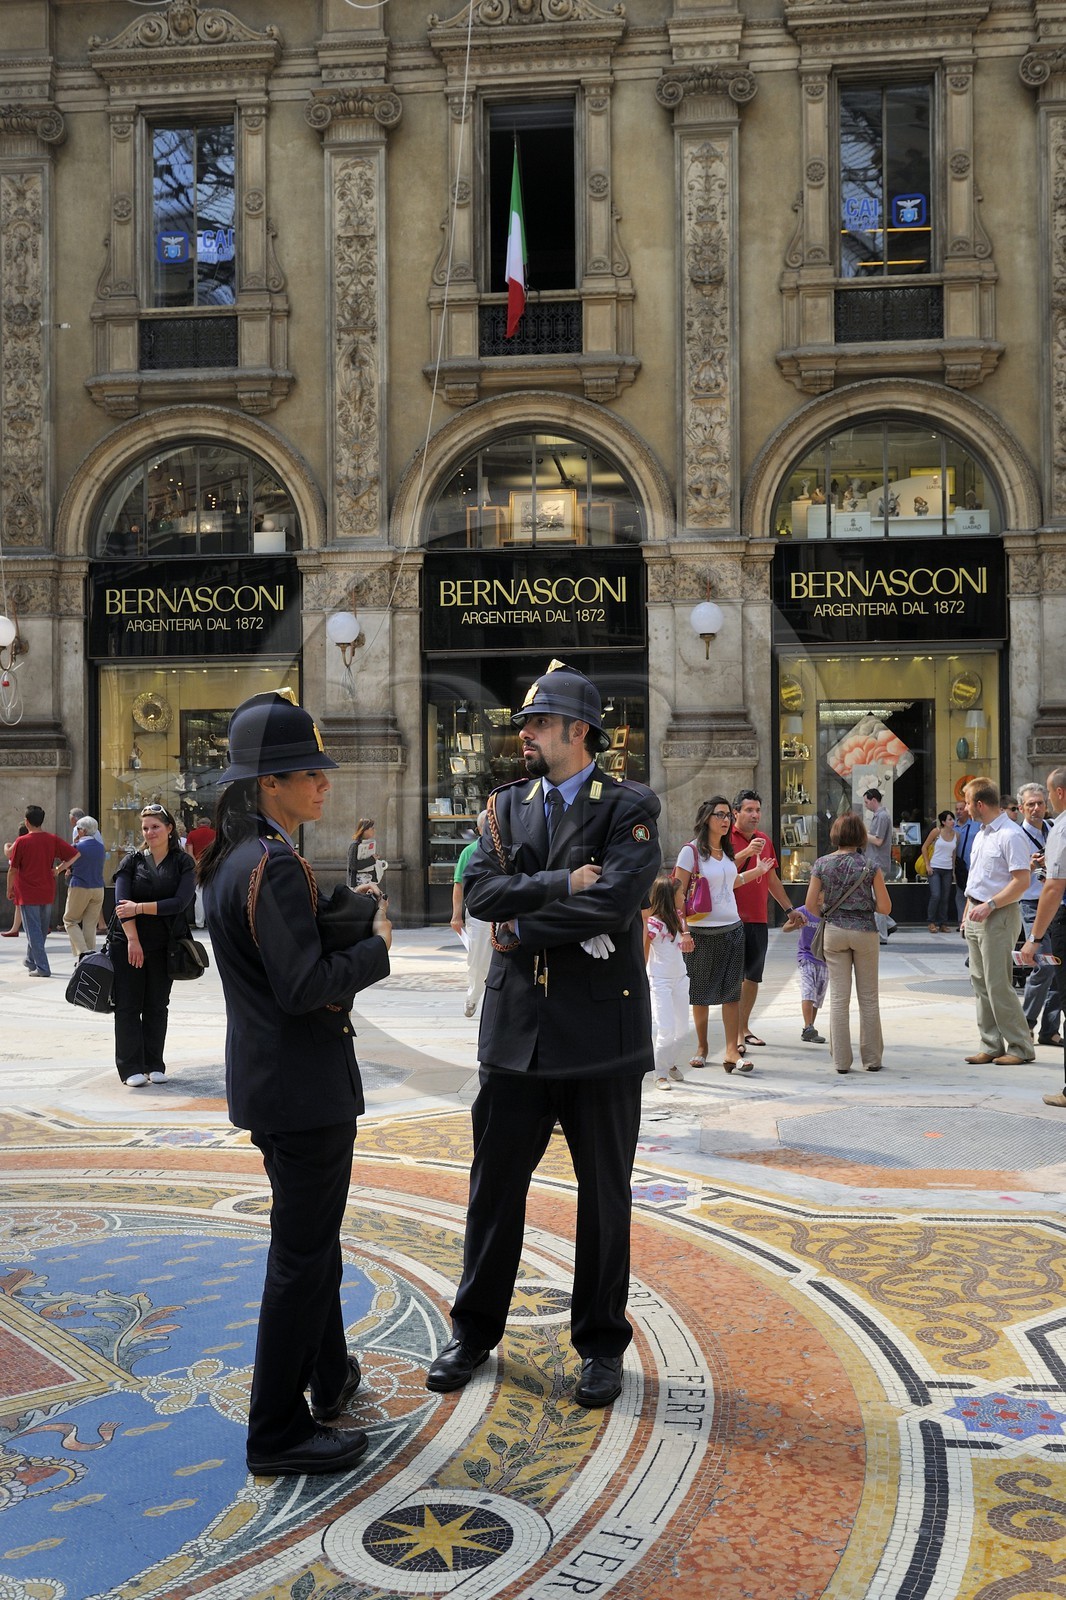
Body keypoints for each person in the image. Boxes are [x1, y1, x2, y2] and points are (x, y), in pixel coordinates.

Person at [425, 660, 660, 1412]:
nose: (523, 734)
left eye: (537, 723)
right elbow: (480, 891)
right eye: (523, 723)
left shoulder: (629, 804)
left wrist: (522, 926)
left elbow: (618, 901)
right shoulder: (505, 806)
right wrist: (562, 885)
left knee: (603, 1198)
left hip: (601, 1038)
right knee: (493, 1192)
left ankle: (599, 1344)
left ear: (577, 731)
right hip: (517, 1033)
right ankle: (472, 1331)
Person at [199, 689, 392, 1476]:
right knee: (301, 1256)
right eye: (308, 772)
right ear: (268, 783)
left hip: (272, 1083)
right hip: (305, 1090)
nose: (323, 783)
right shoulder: (272, 864)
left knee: (312, 1247)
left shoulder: (234, 858)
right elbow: (305, 984)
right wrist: (374, 948)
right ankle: (275, 1430)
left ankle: (329, 1372)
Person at [674, 796, 773, 1072]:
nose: (726, 820)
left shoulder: (727, 852)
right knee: (701, 994)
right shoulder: (690, 852)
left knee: (732, 993)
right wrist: (684, 932)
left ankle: (731, 1051)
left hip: (733, 930)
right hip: (701, 933)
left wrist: (758, 871)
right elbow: (677, 894)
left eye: (728, 815)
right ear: (706, 818)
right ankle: (703, 1047)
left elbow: (733, 882)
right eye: (720, 815)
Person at [112, 805, 196, 1085]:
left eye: (155, 827)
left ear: (170, 829)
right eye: (146, 828)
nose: (150, 833)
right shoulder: (131, 862)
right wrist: (133, 939)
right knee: (127, 1006)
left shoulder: (182, 863)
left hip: (165, 946)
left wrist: (140, 907)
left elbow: (180, 903)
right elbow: (121, 907)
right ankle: (130, 1068)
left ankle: (153, 1063)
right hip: (129, 943)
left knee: (157, 1005)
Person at [806, 812, 893, 1074]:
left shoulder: (821, 864)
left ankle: (842, 1061)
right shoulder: (870, 867)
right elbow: (886, 907)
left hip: (834, 931)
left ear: (835, 835)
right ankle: (872, 1059)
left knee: (839, 998)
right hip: (865, 932)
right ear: (860, 836)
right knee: (868, 998)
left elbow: (810, 904)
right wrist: (866, 905)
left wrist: (828, 915)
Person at [960, 778, 1035, 1067]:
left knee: (998, 983)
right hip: (977, 913)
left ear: (980, 804)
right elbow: (977, 878)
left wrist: (990, 905)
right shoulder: (982, 834)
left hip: (999, 914)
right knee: (979, 982)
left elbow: (1021, 882)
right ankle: (991, 1044)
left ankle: (1020, 1046)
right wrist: (968, 909)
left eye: (968, 803)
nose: (965, 808)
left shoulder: (1011, 834)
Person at [1017, 766, 1066, 1107]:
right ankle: (1030, 1027)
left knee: (1051, 968)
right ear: (1021, 807)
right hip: (1035, 905)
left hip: (1053, 906)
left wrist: (1033, 939)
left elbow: (1054, 882)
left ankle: (1039, 1027)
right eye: (1031, 803)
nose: (1039, 806)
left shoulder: (1057, 827)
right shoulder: (1016, 835)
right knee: (1049, 969)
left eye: (1043, 799)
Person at [730, 789, 794, 1050]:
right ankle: (732, 1034)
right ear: (736, 813)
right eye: (749, 810)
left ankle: (743, 1028)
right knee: (732, 977)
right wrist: (745, 853)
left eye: (758, 810)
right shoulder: (724, 838)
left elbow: (772, 880)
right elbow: (718, 874)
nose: (755, 815)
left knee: (753, 976)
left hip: (758, 918)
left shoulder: (764, 840)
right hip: (729, 918)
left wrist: (789, 909)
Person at [8, 806, 77, 978]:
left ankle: (42, 967)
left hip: (26, 891)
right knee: (39, 930)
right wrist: (58, 869)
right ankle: (30, 960)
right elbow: (74, 854)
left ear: (26, 821)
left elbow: (13, 869)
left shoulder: (22, 842)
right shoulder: (52, 839)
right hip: (47, 889)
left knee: (33, 931)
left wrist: (9, 889)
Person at [644, 870, 693, 1088]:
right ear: (669, 896)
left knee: (682, 1030)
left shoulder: (679, 918)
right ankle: (660, 1072)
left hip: (680, 978)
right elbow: (643, 952)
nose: (684, 897)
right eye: (681, 893)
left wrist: (687, 937)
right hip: (660, 980)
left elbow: (684, 939)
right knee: (666, 1029)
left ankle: (669, 1063)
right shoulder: (652, 924)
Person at [451, 810, 491, 1018]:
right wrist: (456, 915)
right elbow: (459, 885)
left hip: (503, 912)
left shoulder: (507, 848)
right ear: (479, 829)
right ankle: (473, 997)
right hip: (479, 915)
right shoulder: (469, 852)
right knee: (478, 961)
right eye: (486, 825)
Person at [58, 815, 106, 959]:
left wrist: (56, 870)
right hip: (98, 888)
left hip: (80, 886)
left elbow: (66, 862)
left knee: (70, 920)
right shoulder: (100, 847)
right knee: (90, 925)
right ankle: (89, 959)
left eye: (78, 829)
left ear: (82, 831)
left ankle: (84, 952)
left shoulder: (77, 847)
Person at [780, 903, 828, 1043]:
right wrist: (796, 925)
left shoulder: (830, 911)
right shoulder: (803, 910)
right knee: (809, 990)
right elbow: (785, 928)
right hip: (806, 956)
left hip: (824, 960)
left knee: (818, 995)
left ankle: (809, 1029)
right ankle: (808, 1027)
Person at [862, 788, 893, 943]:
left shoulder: (882, 816)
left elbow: (879, 841)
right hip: (875, 861)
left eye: (867, 802)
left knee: (876, 898)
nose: (866, 805)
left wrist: (863, 834)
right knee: (873, 897)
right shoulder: (880, 816)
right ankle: (889, 924)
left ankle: (882, 935)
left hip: (878, 862)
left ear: (874, 800)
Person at [921, 810, 957, 932]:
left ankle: (943, 923)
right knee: (936, 895)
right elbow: (924, 847)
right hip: (935, 867)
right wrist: (927, 865)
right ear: (943, 822)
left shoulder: (956, 835)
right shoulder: (936, 832)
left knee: (945, 897)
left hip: (947, 869)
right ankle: (931, 921)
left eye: (953, 819)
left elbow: (953, 854)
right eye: (949, 819)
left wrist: (953, 870)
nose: (952, 822)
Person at [184, 812, 216, 929]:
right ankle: (210, 921)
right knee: (212, 893)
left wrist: (197, 863)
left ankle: (199, 922)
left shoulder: (192, 834)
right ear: (209, 824)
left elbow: (189, 852)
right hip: (211, 865)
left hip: (198, 865)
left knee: (199, 894)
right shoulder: (215, 834)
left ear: (198, 824)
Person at [3, 824, 28, 937]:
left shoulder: (19, 842)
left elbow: (8, 852)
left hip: (20, 876)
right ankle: (14, 928)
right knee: (22, 903)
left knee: (20, 903)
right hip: (30, 876)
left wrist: (6, 845)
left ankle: (14, 928)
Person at [346, 819, 377, 888]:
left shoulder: (370, 844)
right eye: (372, 828)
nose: (374, 831)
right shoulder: (355, 845)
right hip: (357, 884)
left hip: (370, 881)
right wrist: (371, 860)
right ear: (365, 830)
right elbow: (353, 865)